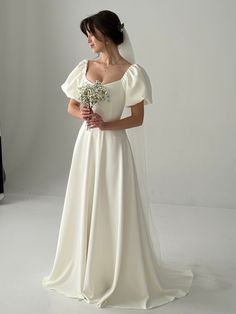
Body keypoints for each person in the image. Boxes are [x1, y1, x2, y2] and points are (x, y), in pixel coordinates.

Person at [42, 10, 194, 309]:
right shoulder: (83, 67)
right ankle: (87, 268)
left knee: (114, 204)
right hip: (87, 145)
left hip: (114, 148)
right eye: (86, 35)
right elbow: (72, 106)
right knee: (87, 201)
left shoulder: (132, 72)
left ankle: (118, 269)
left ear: (106, 34)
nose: (88, 40)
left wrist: (106, 125)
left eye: (91, 34)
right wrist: (84, 114)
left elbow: (137, 119)